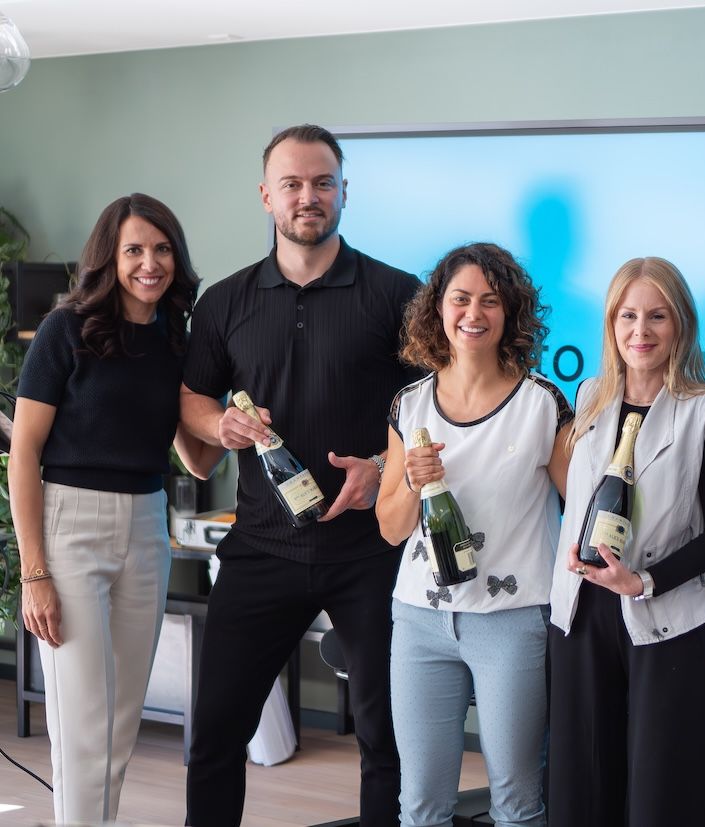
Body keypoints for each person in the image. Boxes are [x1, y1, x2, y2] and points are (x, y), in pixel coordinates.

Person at [180, 124, 422, 826]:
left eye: (322, 183)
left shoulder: (396, 294)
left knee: (386, 740)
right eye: (292, 184)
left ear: (345, 192)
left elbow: (431, 408)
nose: (307, 197)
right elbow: (194, 396)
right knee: (217, 734)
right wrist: (215, 424)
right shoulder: (224, 302)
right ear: (266, 196)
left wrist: (382, 467)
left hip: (371, 552)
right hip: (259, 546)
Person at [11, 193, 221, 823]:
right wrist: (34, 573)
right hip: (70, 524)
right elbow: (23, 454)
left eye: (161, 250)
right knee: (83, 725)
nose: (149, 263)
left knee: (119, 722)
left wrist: (235, 421)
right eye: (134, 250)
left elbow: (198, 462)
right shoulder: (65, 330)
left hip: (146, 528)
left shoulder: (176, 343)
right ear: (110, 257)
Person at [376, 242, 570, 827]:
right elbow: (390, 529)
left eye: (490, 301)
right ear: (438, 309)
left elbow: (583, 510)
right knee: (421, 804)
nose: (473, 313)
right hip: (419, 622)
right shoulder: (409, 406)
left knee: (516, 801)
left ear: (510, 313)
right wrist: (412, 482)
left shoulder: (542, 404)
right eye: (459, 299)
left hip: (513, 620)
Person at [547, 257, 705, 827]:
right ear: (610, 325)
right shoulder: (589, 397)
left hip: (664, 615)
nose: (641, 331)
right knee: (582, 782)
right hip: (582, 612)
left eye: (657, 316)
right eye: (627, 316)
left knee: (661, 788)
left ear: (680, 324)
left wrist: (646, 581)